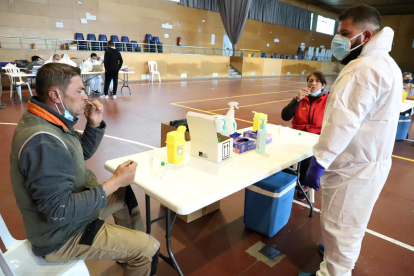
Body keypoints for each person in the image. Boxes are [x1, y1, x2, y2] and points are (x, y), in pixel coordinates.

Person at [10, 63, 160, 276]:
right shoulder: (44, 140)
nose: (86, 96)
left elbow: (79, 153)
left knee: (124, 194)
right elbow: (59, 211)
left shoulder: (48, 119)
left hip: (71, 217)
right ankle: (138, 252)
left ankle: (128, 251)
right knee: (149, 249)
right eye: (79, 91)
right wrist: (114, 181)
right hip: (62, 236)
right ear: (55, 95)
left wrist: (94, 125)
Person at [299, 5, 402, 276]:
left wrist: (319, 160)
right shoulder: (386, 63)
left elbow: (343, 121)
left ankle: (333, 271)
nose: (340, 40)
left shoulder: (364, 68)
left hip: (353, 166)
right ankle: (337, 257)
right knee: (348, 224)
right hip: (366, 162)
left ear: (366, 36)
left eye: (346, 33)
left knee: (341, 225)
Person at [281, 71, 328, 200]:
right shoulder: (300, 98)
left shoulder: (328, 100)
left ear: (323, 85)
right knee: (281, 153)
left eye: (317, 81)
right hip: (297, 135)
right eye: (311, 80)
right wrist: (297, 100)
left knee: (307, 156)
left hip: (315, 136)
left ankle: (303, 184)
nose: (313, 83)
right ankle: (287, 180)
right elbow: (285, 117)